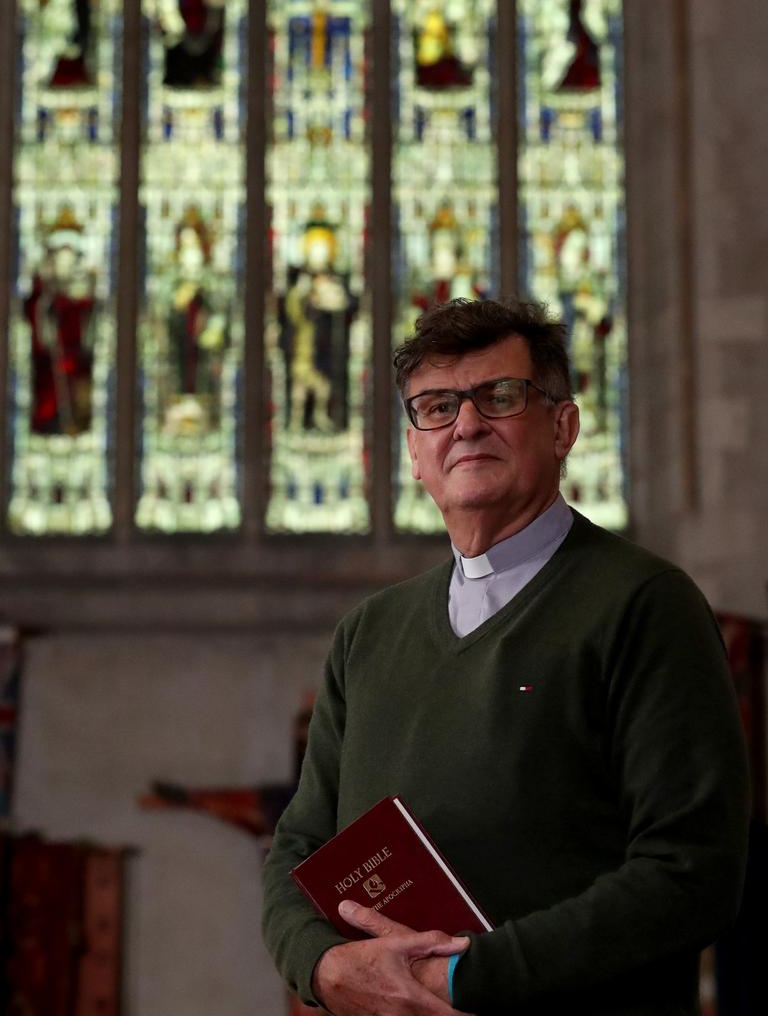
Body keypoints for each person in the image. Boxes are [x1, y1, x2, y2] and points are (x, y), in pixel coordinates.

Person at [262, 297, 749, 1016]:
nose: (466, 424)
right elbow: (298, 850)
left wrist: (460, 978)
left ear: (563, 425)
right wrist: (324, 965)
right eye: (436, 406)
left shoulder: (644, 604)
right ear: (414, 453)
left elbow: (691, 871)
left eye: (500, 396)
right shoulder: (368, 633)